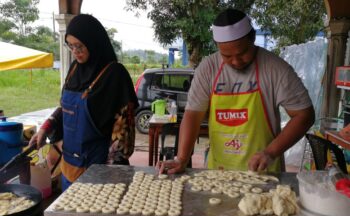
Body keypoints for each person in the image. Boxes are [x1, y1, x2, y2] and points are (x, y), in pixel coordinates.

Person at [157, 9, 315, 174]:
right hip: (218, 171)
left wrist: (270, 152)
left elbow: (305, 115)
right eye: (226, 56)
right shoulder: (208, 69)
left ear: (253, 39)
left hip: (264, 172)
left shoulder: (275, 68)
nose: (235, 61)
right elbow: (193, 115)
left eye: (242, 53)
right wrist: (181, 158)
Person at [29, 14, 139, 190]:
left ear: (93, 41)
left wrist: (109, 178)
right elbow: (65, 108)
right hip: (69, 168)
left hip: (100, 171)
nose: (75, 52)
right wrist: (46, 128)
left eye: (79, 46)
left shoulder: (114, 75)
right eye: (71, 46)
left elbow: (123, 131)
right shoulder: (74, 70)